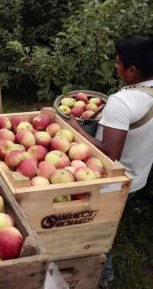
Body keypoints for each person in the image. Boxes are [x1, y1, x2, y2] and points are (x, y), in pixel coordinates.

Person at [67, 34, 153, 288]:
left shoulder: (122, 101)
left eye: (118, 63)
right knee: (108, 224)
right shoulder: (145, 93)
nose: (115, 67)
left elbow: (109, 153)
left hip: (114, 180)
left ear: (132, 69)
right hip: (139, 175)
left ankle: (103, 276)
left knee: (94, 228)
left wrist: (75, 128)